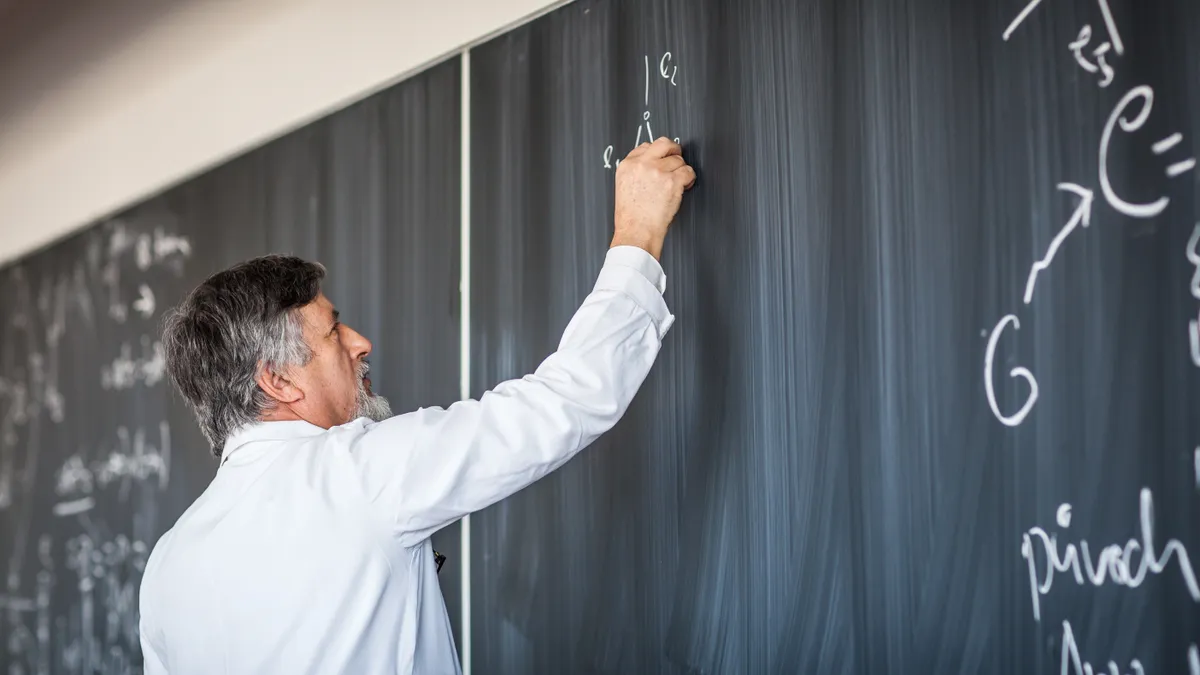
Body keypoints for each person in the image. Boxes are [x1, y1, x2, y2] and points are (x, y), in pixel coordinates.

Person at [137, 137, 697, 674]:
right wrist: (637, 235)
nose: (360, 343)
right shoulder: (357, 473)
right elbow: (565, 400)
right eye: (334, 332)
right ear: (278, 379)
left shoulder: (167, 566)